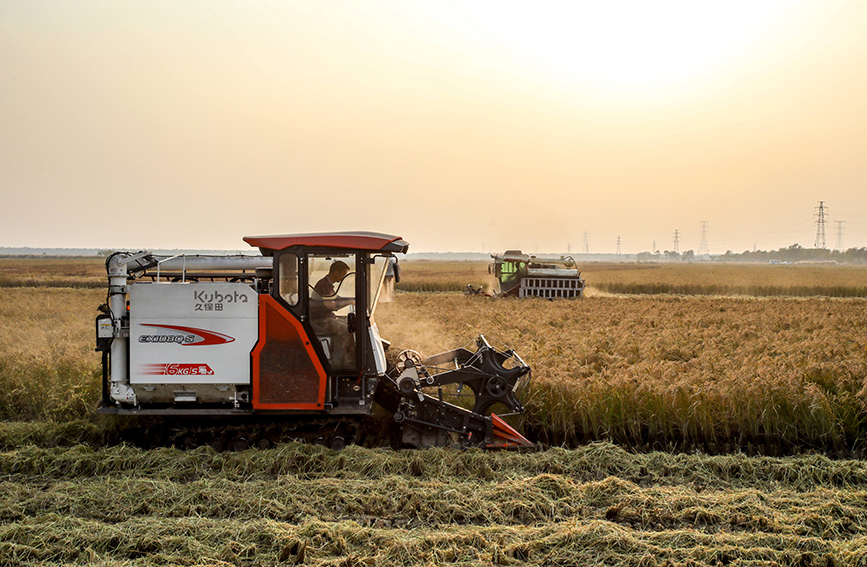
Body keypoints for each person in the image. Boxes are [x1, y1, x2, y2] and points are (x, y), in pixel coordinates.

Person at [310, 260, 355, 367]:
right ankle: (347, 364)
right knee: (348, 331)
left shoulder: (327, 285)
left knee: (352, 325)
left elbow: (335, 299)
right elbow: (331, 305)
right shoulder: (324, 285)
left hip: (326, 317)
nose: (343, 277)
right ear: (336, 273)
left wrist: (351, 299)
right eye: (343, 274)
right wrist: (350, 302)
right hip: (321, 320)